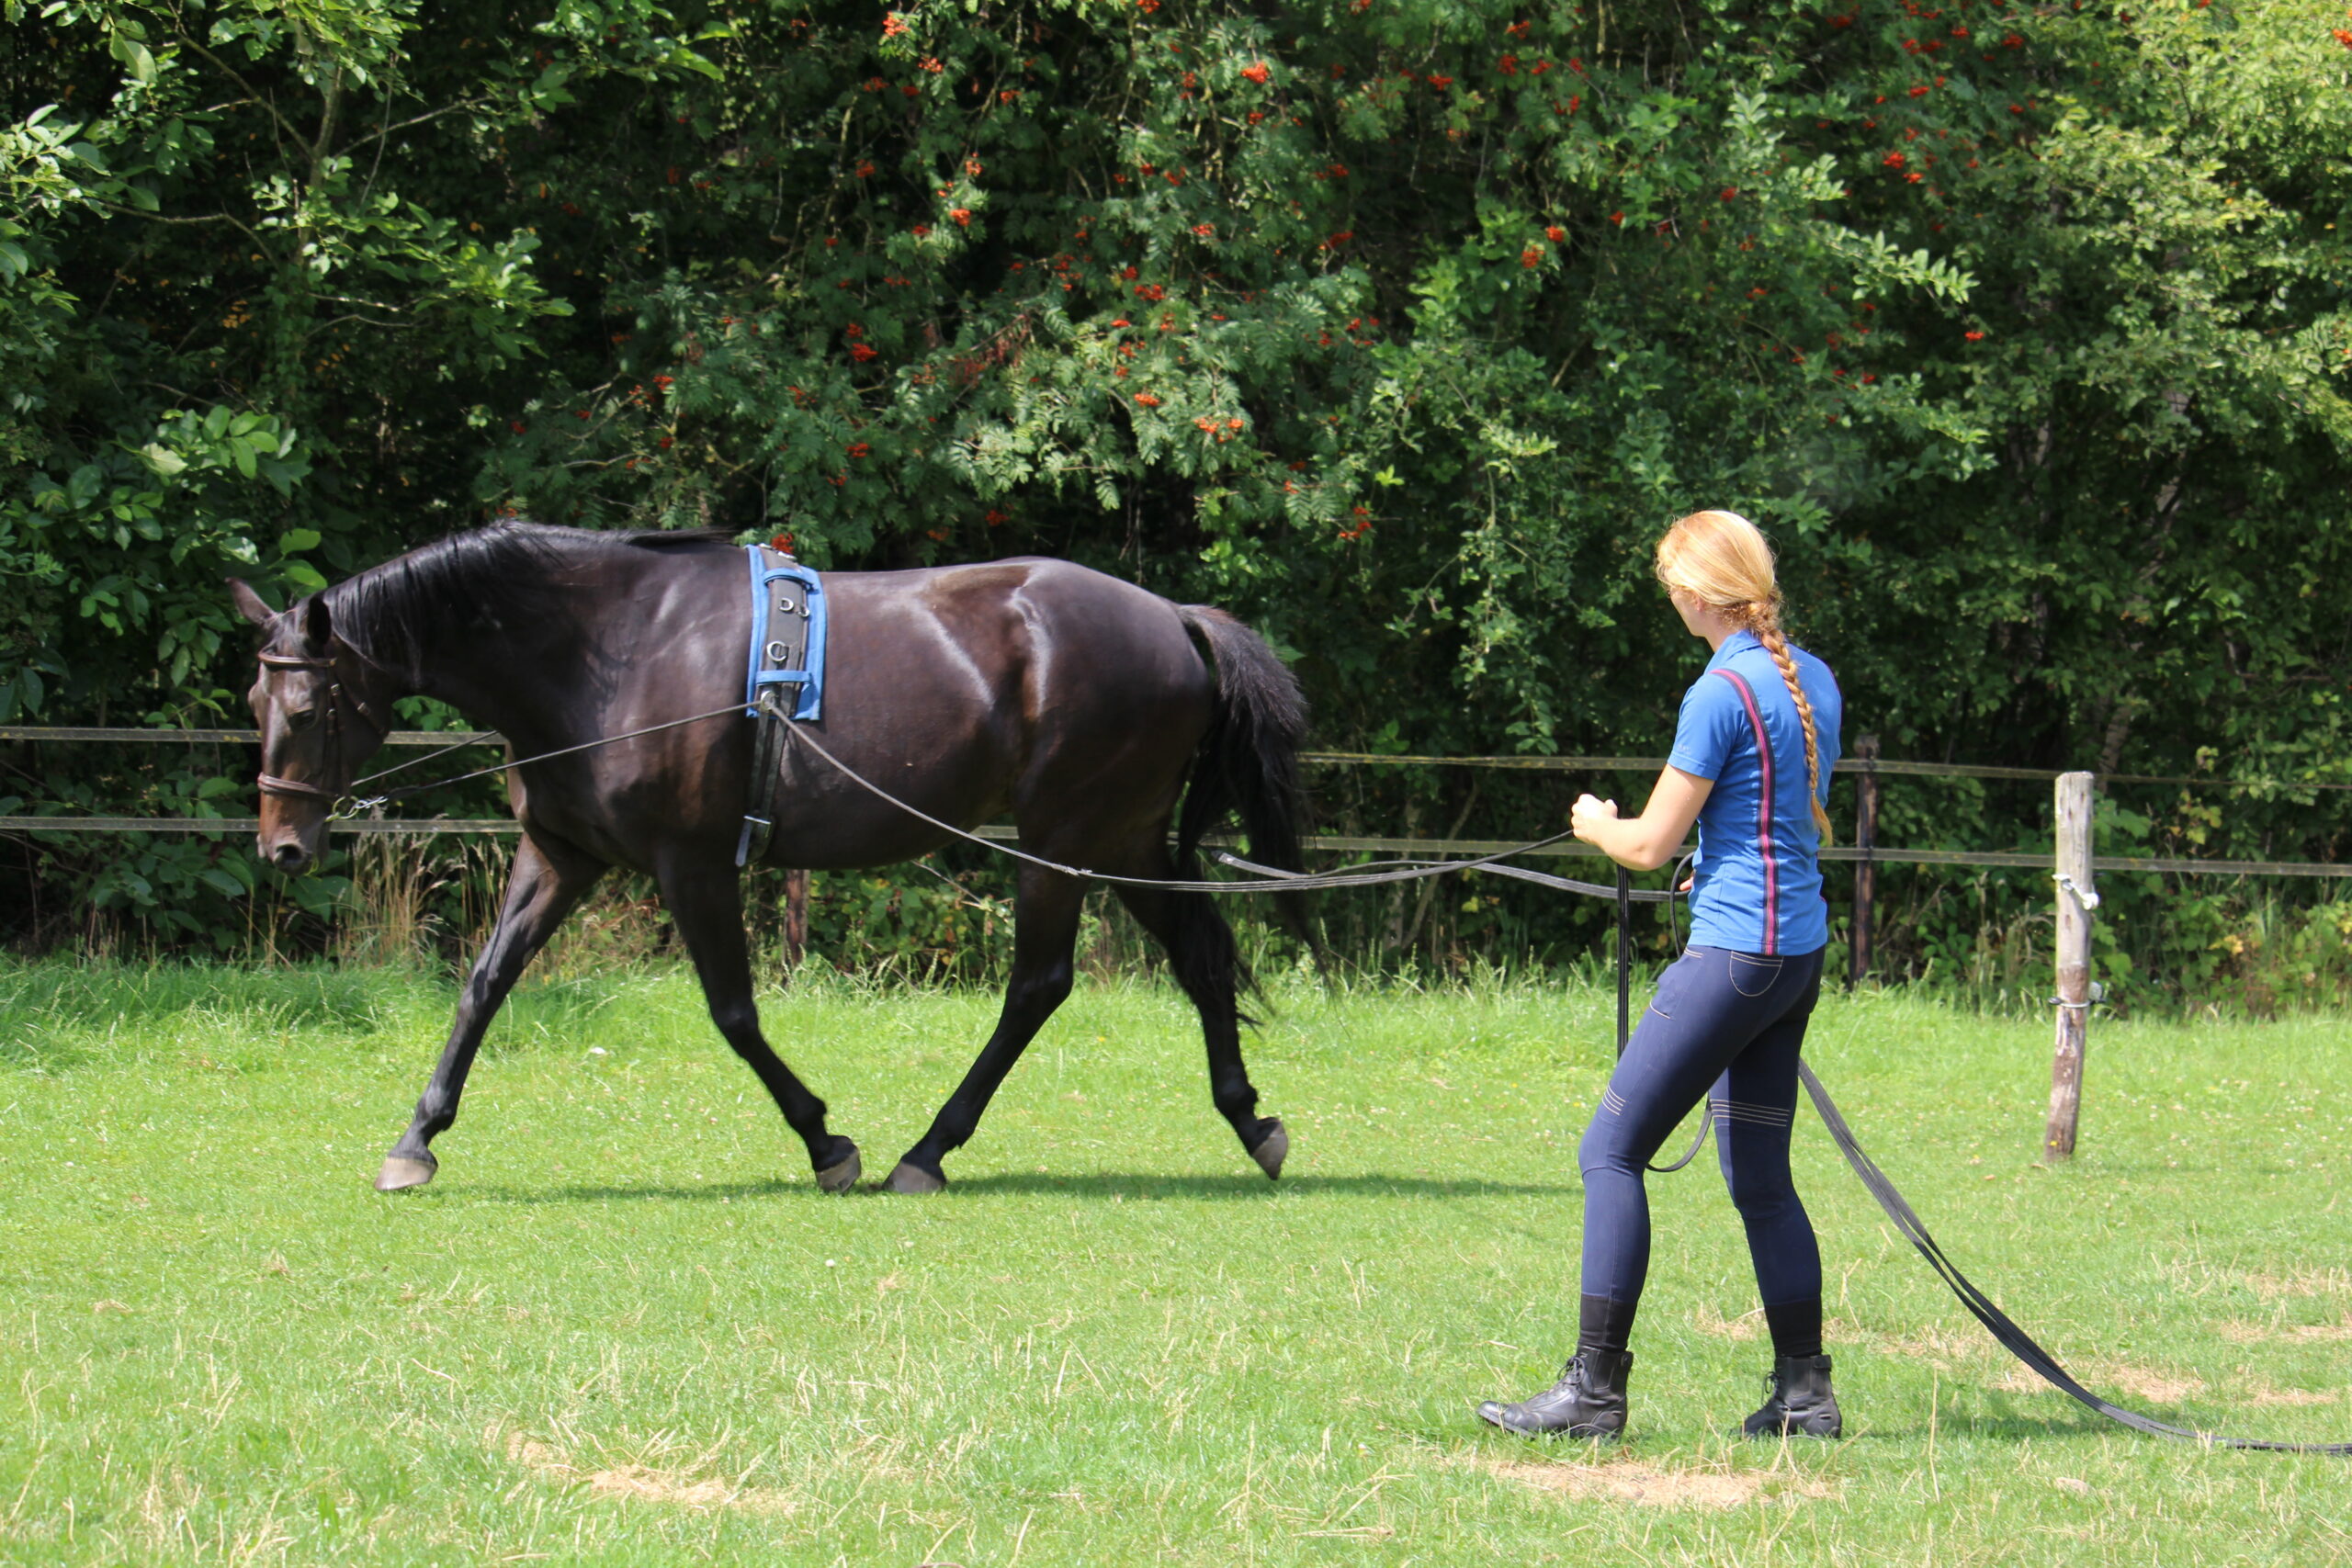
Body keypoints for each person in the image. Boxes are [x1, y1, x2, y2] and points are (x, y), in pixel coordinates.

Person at [1476, 509, 1846, 1442]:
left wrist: (1595, 821)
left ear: (1693, 590)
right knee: (1760, 1178)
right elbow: (1767, 824)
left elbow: (1645, 843)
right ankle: (1805, 1394)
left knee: (1608, 1152)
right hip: (1791, 955)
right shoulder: (1811, 680)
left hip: (1734, 958)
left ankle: (1594, 1391)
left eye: (1668, 584)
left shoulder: (1718, 691)